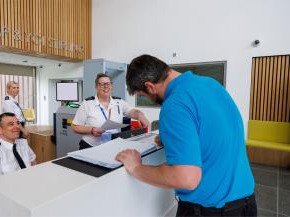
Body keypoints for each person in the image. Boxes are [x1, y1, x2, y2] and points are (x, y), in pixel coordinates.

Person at [115, 55, 257, 217]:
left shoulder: (174, 104)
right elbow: (217, 132)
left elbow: (186, 178)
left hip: (211, 210)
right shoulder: (211, 84)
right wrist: (175, 140)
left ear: (150, 86)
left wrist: (136, 167)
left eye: (143, 95)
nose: (147, 99)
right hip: (246, 202)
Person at [72, 73, 149, 149]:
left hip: (112, 146)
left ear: (111, 86)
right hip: (90, 147)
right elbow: (75, 127)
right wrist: (91, 130)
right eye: (102, 84)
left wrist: (140, 115)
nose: (106, 87)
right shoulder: (87, 104)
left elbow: (132, 111)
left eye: (108, 84)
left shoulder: (119, 101)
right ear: (96, 87)